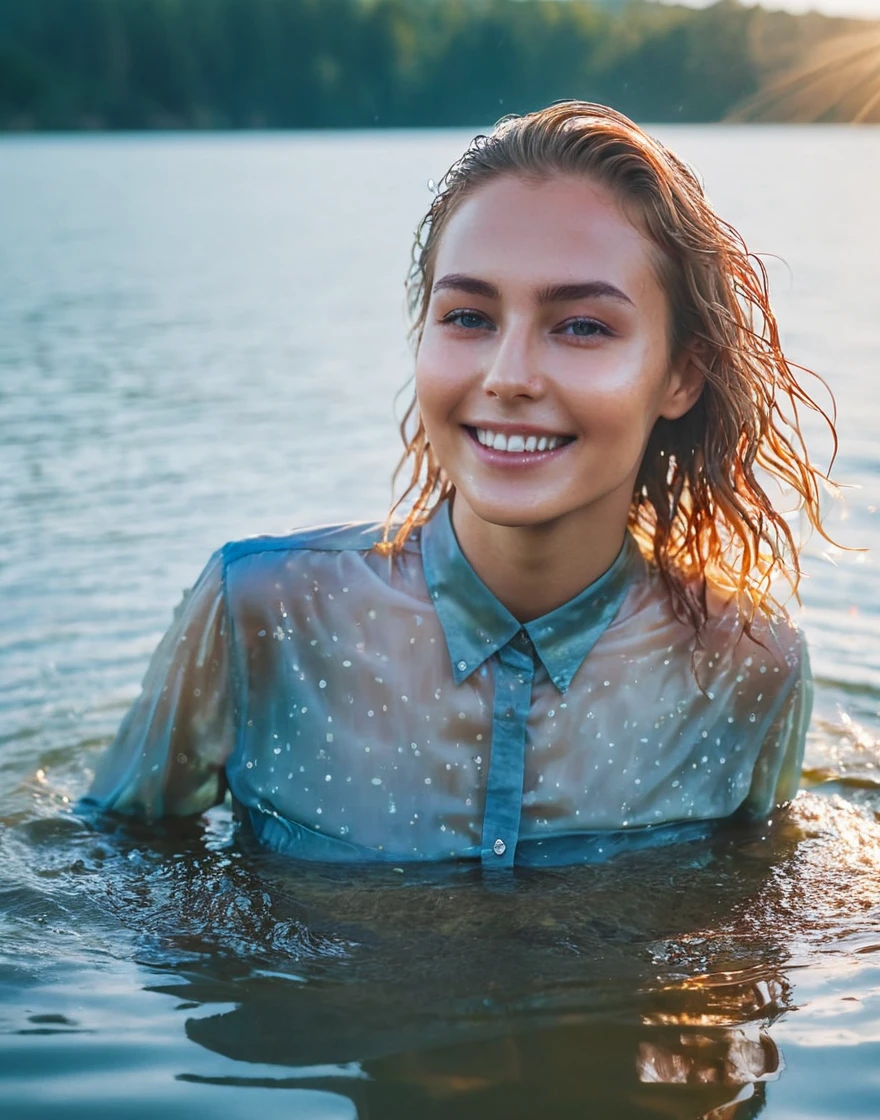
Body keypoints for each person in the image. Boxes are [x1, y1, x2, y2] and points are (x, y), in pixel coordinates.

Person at [83, 102, 830, 867]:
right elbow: (110, 866)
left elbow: (746, 942)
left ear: (680, 374)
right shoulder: (260, 616)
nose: (507, 377)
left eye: (581, 326)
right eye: (469, 317)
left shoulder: (751, 665)